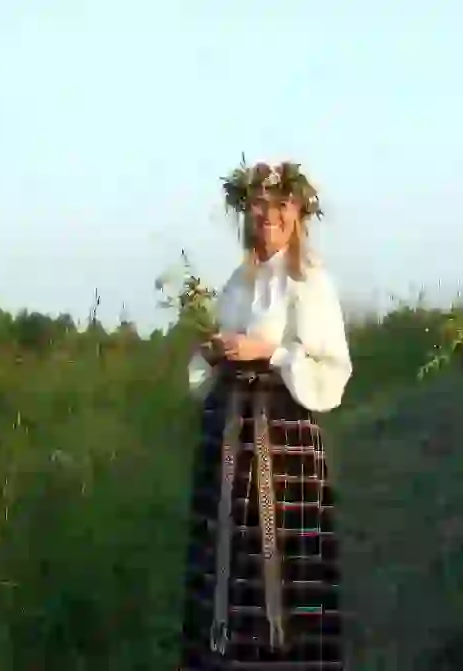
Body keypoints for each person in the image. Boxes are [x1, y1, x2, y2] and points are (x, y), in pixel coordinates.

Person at [177, 159, 353, 669]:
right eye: (259, 205)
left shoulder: (310, 281)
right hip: (230, 426)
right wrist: (214, 352)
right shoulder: (240, 279)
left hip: (282, 432)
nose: (268, 215)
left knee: (281, 550)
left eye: (280, 205)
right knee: (230, 546)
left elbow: (333, 367)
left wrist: (267, 352)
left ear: (298, 212)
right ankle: (225, 653)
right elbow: (225, 348)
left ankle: (286, 657)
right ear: (245, 212)